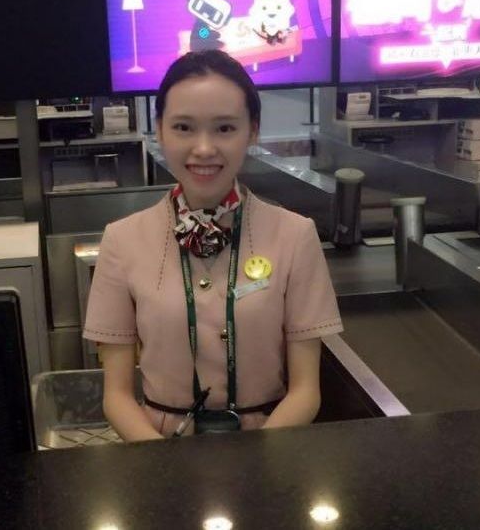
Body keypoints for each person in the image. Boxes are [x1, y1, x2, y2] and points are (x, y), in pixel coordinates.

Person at [83, 50, 342, 441]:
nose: (204, 148)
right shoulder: (122, 240)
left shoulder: (295, 235)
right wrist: (165, 464)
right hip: (159, 450)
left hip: (269, 448)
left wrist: (256, 463)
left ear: (252, 131)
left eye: (224, 128)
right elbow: (117, 397)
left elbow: (306, 392)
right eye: (184, 127)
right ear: (160, 130)